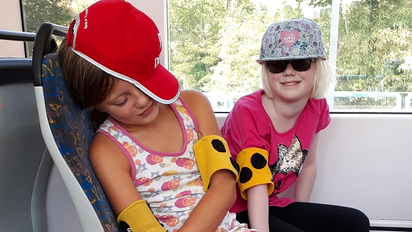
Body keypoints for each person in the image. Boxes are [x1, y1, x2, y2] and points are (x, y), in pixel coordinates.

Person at [57, 1, 257, 232]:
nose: (143, 101)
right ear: (96, 104)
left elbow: (225, 185)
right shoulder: (108, 151)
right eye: (122, 100)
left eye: (146, 83)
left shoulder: (194, 105)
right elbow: (144, 226)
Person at [220, 18, 370, 232]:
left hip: (271, 203)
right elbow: (256, 184)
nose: (289, 71)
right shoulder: (248, 111)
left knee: (357, 222)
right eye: (277, 64)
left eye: (301, 62)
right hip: (233, 209)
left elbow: (308, 164)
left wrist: (303, 216)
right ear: (267, 70)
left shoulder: (317, 106)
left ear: (317, 66)